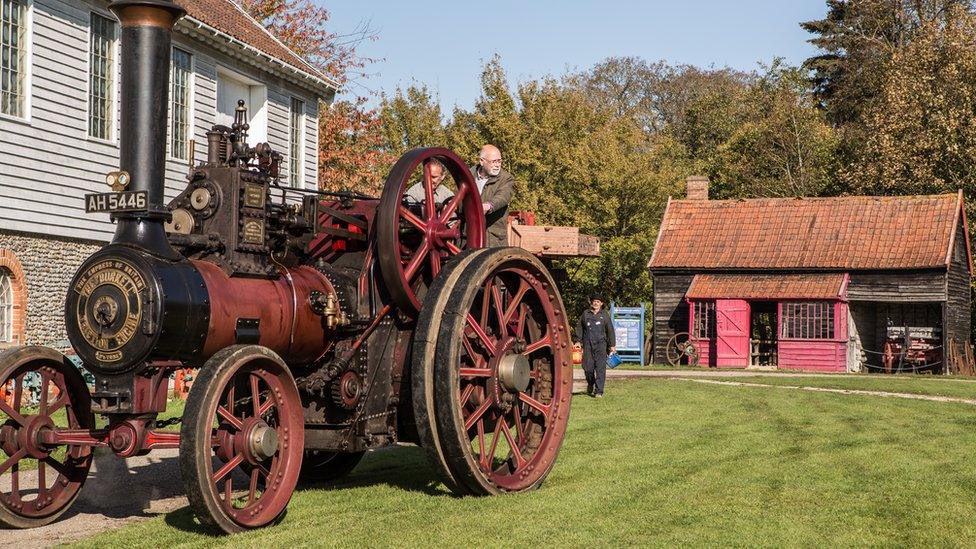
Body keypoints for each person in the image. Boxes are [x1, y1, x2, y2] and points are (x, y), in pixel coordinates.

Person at [470, 144, 514, 247]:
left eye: (499, 161)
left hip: (492, 240)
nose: (497, 165)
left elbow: (503, 197)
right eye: (494, 161)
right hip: (469, 237)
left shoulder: (506, 179)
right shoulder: (467, 176)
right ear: (482, 161)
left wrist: (489, 205)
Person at [575, 293, 616, 398]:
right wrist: (578, 341)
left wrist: (612, 345)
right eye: (594, 301)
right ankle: (590, 383)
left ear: (601, 303)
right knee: (587, 368)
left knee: (600, 369)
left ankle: (599, 391)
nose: (595, 303)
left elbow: (610, 330)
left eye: (598, 301)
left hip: (601, 345)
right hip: (588, 344)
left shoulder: (604, 315)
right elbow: (579, 328)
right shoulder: (585, 314)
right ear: (591, 303)